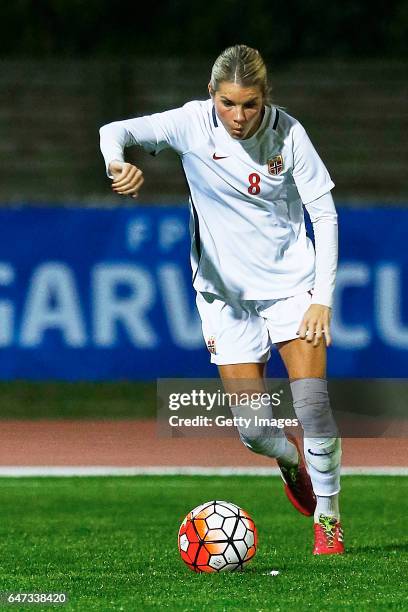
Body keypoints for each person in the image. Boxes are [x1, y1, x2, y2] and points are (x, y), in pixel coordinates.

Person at [99, 44, 344, 555]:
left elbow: (325, 215)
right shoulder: (191, 124)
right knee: (255, 432)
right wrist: (115, 163)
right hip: (223, 298)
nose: (237, 117)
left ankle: (329, 519)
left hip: (290, 288)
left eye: (249, 104)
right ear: (212, 95)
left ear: (265, 97)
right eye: (228, 103)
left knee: (314, 406)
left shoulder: (290, 134)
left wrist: (321, 298)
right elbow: (113, 131)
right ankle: (290, 460)